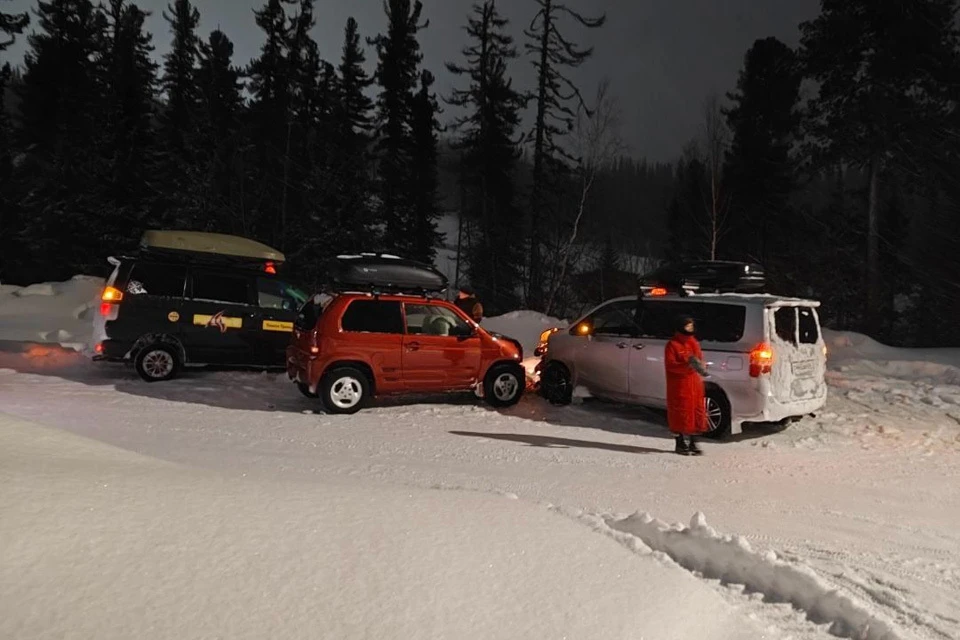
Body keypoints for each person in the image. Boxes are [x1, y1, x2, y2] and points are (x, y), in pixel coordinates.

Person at [665, 314, 710, 455]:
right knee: (680, 413)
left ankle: (693, 443)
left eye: (691, 325)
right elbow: (671, 365)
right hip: (679, 384)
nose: (690, 328)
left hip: (694, 384)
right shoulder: (672, 345)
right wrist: (687, 365)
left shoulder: (693, 342)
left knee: (696, 412)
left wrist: (701, 366)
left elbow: (700, 359)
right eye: (687, 326)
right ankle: (680, 443)